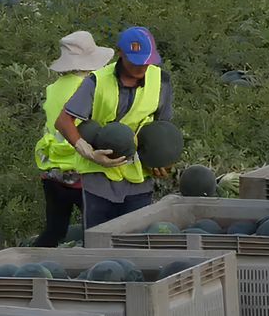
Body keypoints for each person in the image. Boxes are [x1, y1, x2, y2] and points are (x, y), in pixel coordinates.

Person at [53, 26, 173, 228]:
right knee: (98, 241)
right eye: (135, 62)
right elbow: (63, 121)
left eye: (146, 61)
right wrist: (88, 152)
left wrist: (164, 159)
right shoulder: (96, 81)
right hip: (99, 179)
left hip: (138, 178)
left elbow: (164, 127)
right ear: (120, 54)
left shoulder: (162, 81)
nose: (141, 67)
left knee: (135, 242)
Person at [32, 31, 115, 246]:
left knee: (55, 229)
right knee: (97, 230)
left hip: (52, 170)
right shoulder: (90, 88)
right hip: (81, 169)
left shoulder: (53, 88)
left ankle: (30, 264)